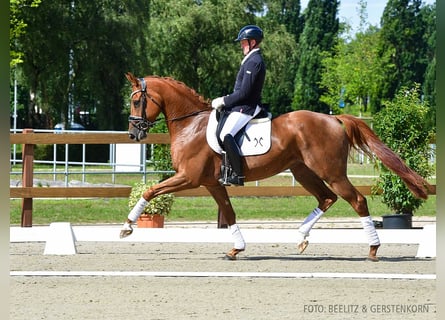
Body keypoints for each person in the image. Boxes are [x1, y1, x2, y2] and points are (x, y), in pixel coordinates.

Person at [212, 25, 266, 186]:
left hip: (246, 107)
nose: (241, 45)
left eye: (243, 42)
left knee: (226, 134)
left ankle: (237, 174)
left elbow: (244, 93)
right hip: (240, 106)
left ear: (253, 42)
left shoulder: (254, 61)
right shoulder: (250, 60)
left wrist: (224, 100)